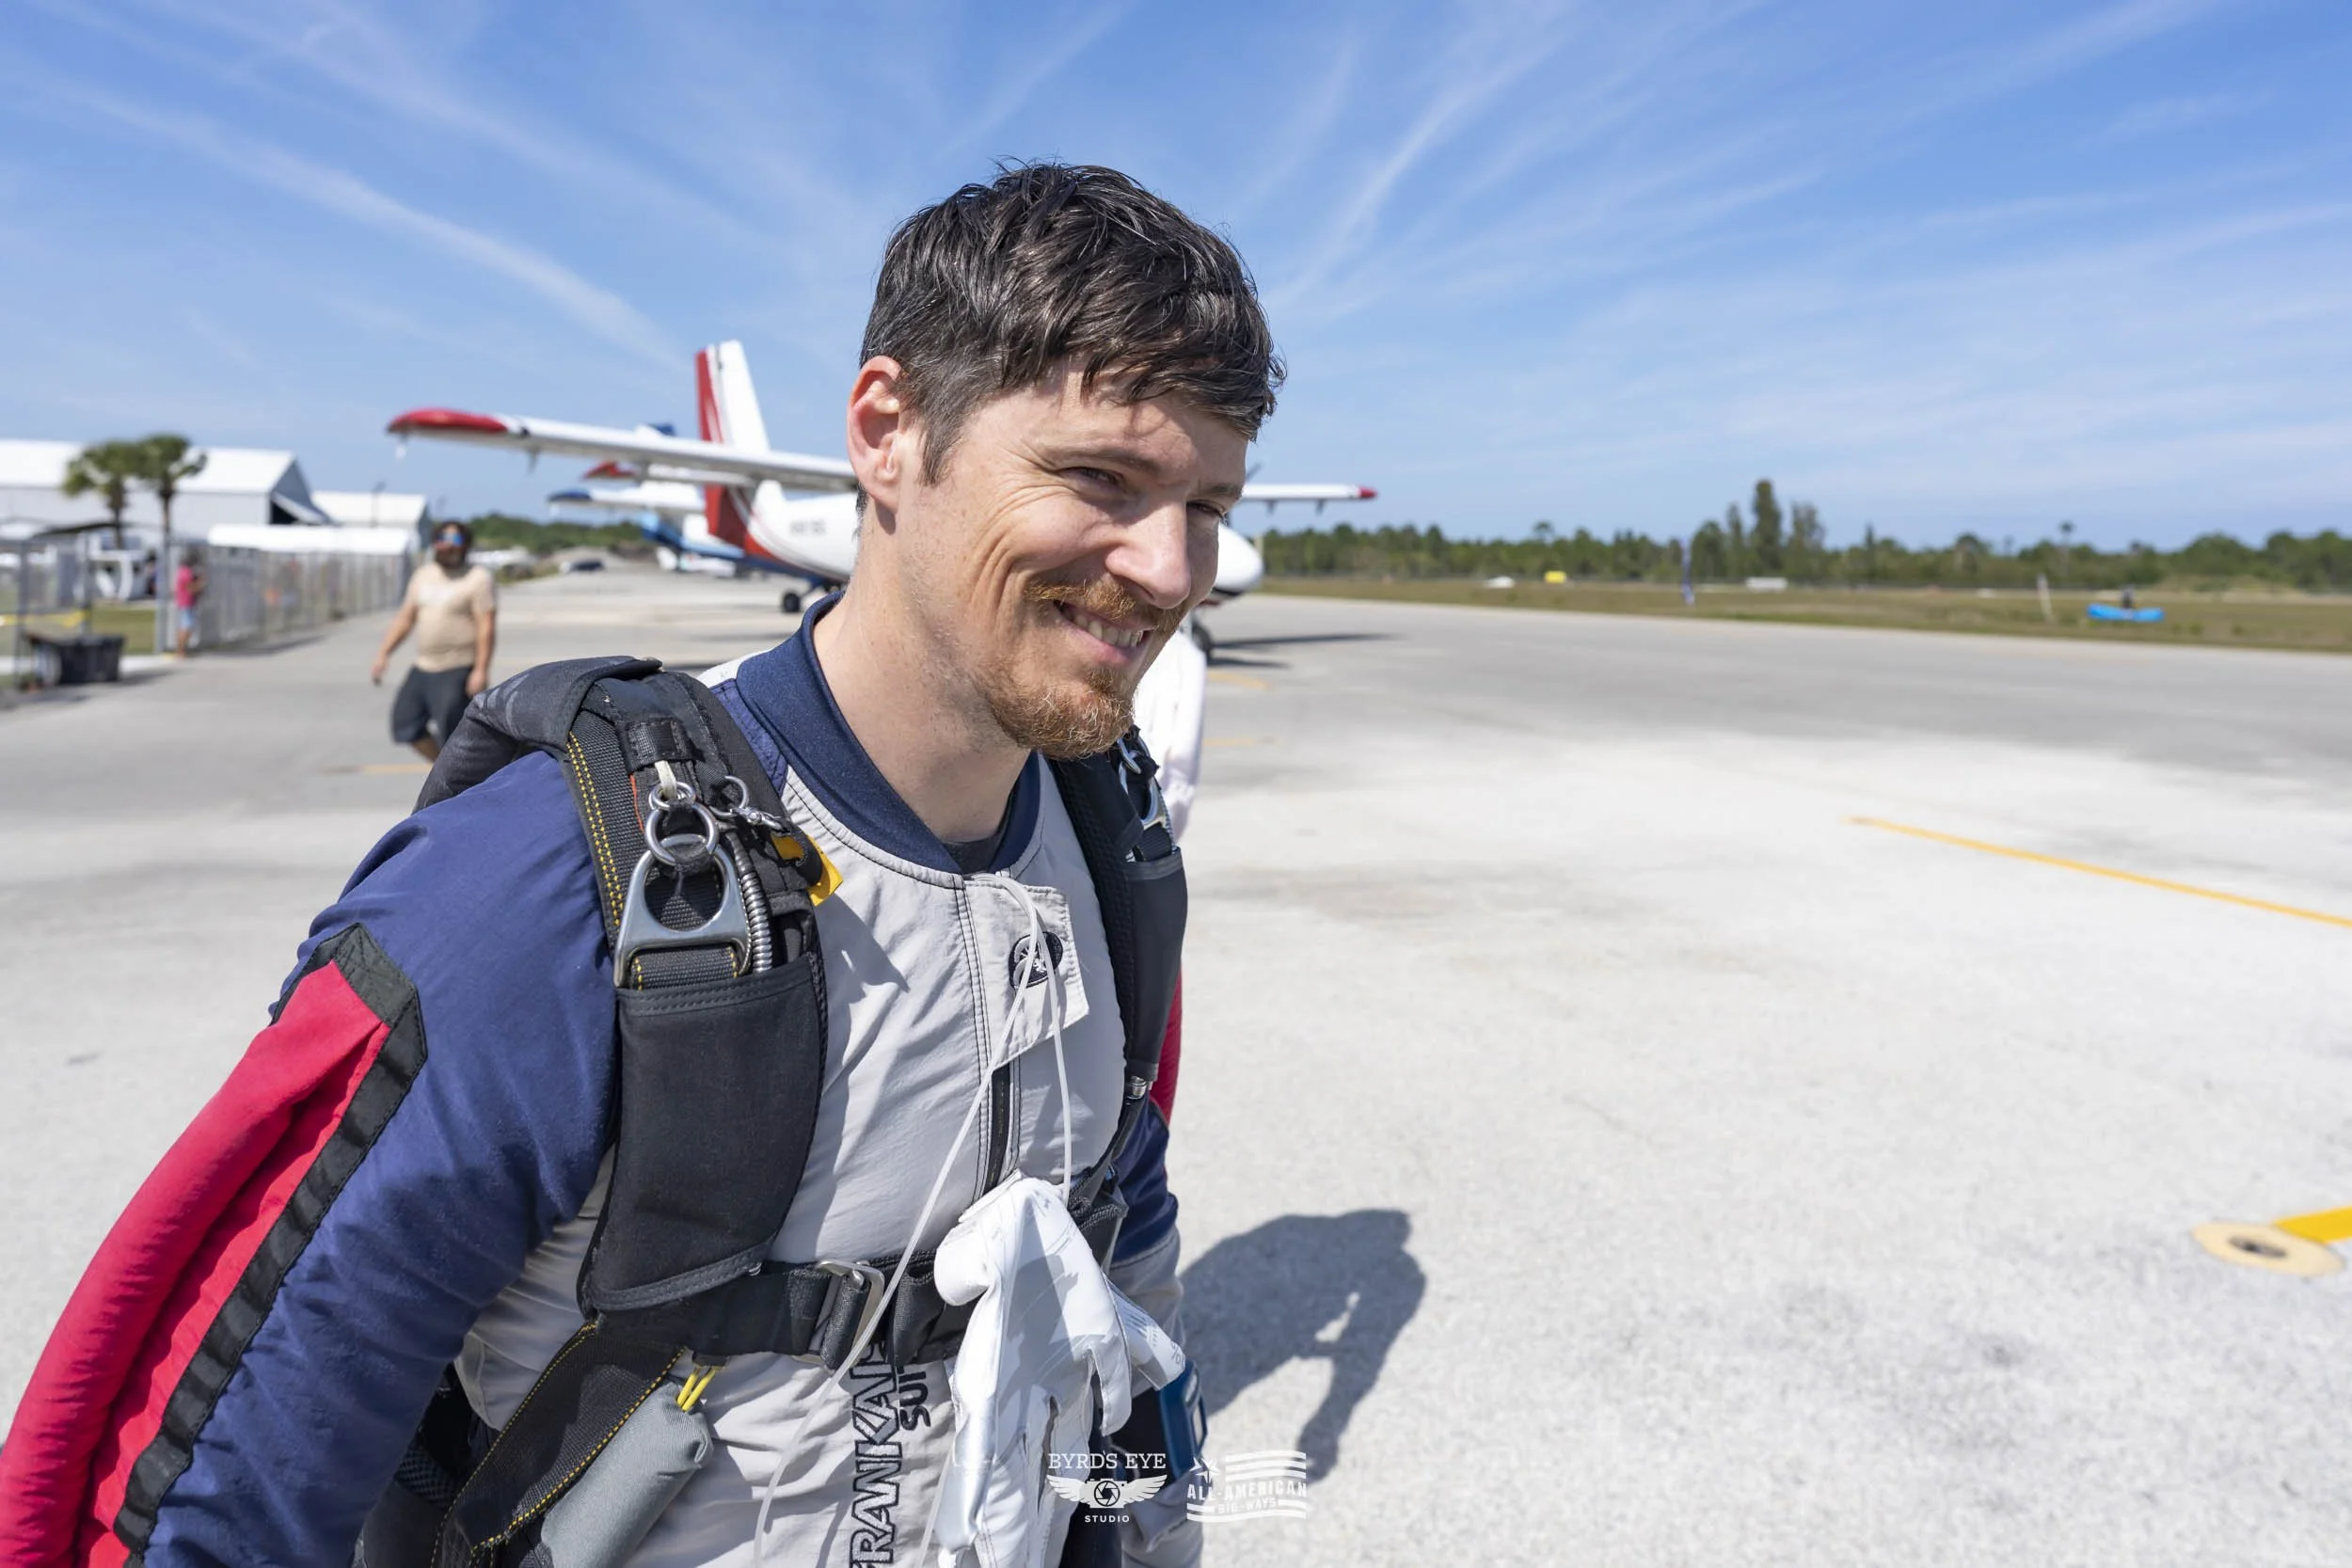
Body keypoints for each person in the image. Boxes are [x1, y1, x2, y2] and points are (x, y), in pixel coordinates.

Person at [0, 163, 1277, 1566]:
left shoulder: (1108, 849)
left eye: (1207, 503)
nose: (1171, 566)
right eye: (1100, 475)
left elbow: (1120, 1240)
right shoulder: (548, 884)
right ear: (888, 431)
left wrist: (1148, 1531)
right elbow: (218, 1491)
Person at [373, 520, 498, 760]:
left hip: (458, 667)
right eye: (442, 539)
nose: (448, 546)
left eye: (455, 540)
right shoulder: (423, 575)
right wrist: (383, 654)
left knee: (455, 734)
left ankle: (459, 781)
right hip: (424, 666)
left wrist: (480, 670)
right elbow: (405, 619)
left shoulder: (477, 578)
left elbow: (486, 627)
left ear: (465, 545)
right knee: (405, 724)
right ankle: (445, 771)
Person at [169, 551, 204, 657]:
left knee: (187, 626)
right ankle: (180, 651)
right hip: (186, 602)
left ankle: (182, 650)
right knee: (186, 627)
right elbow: (189, 587)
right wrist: (200, 584)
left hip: (185, 602)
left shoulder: (181, 571)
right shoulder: (186, 572)